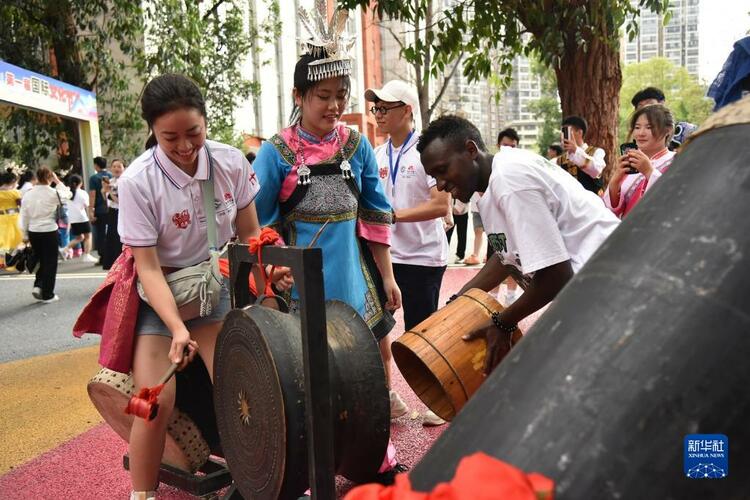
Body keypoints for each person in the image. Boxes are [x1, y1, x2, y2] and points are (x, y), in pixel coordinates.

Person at [252, 7, 406, 483]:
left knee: (371, 365)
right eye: (323, 96)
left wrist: (388, 277)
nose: (334, 105)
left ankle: (371, 450)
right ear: (299, 95)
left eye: (341, 96)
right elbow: (260, 226)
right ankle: (316, 457)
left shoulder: (356, 146)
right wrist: (270, 278)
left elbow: (375, 215)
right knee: (314, 375)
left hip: (354, 276)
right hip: (301, 285)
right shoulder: (274, 152)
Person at [117, 74, 270, 500]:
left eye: (193, 134)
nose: (185, 147)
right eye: (170, 138)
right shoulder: (136, 182)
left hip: (211, 290)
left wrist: (267, 287)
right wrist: (176, 328)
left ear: (206, 121)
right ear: (152, 131)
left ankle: (260, 482)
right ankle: (141, 494)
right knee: (152, 402)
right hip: (160, 299)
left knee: (243, 391)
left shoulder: (231, 163)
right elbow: (146, 269)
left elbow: (250, 235)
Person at [417, 115, 620, 375]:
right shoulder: (489, 185)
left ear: (470, 150)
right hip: (590, 287)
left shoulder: (510, 181)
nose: (441, 184)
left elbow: (556, 274)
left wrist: (503, 323)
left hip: (611, 281)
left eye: (442, 170)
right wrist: (460, 300)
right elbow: (506, 256)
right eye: (434, 177)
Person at [366, 79, 450, 425]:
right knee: (378, 329)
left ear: (407, 110)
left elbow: (440, 204)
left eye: (385, 108)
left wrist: (393, 216)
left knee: (420, 331)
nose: (378, 115)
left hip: (423, 256)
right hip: (386, 256)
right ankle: (388, 397)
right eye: (376, 108)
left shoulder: (427, 152)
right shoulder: (375, 154)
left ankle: (440, 400)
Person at [603, 104, 675, 219]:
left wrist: (649, 172)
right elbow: (609, 211)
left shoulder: (676, 161)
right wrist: (614, 183)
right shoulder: (630, 163)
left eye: (649, 127)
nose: (641, 133)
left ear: (668, 130)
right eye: (637, 127)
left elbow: (673, 199)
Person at [20, 166, 71, 302]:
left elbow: (24, 216)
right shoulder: (54, 193)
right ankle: (48, 294)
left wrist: (24, 235)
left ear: (37, 177)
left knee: (40, 259)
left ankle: (39, 285)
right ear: (50, 178)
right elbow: (68, 194)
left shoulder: (28, 194)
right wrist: (57, 181)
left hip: (33, 231)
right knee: (50, 262)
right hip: (49, 230)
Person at [630, 87, 696, 150]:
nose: (646, 109)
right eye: (641, 107)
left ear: (662, 103)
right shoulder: (638, 136)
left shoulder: (685, 130)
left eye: (650, 104)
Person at [557, 116, 606, 193]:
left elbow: (596, 170)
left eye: (568, 132)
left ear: (580, 132)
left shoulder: (597, 152)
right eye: (563, 132)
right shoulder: (559, 160)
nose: (564, 136)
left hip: (592, 202)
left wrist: (575, 150)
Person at [60, 175, 97, 263]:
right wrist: (90, 216)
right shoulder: (82, 193)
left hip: (73, 219)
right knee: (88, 236)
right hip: (82, 218)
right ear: (80, 183)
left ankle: (65, 249)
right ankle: (87, 255)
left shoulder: (68, 193)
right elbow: (87, 206)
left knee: (79, 237)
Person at [100, 159, 126, 269]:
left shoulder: (125, 181)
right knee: (111, 237)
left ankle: (122, 263)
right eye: (114, 166)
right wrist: (104, 191)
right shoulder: (111, 181)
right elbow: (107, 201)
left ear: (124, 168)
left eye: (119, 166)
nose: (116, 169)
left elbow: (121, 201)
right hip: (112, 212)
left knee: (119, 238)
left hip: (122, 212)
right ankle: (113, 264)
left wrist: (109, 191)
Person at [88, 155, 111, 263]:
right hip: (112, 207)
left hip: (100, 210)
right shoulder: (111, 175)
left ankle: (103, 256)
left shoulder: (94, 178)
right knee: (112, 232)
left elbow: (92, 195)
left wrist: (91, 211)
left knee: (101, 234)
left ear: (96, 166)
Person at [0, 169, 23, 269]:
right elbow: (21, 205)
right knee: (15, 241)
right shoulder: (16, 193)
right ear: (13, 181)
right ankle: (13, 263)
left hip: (1, 218)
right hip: (14, 218)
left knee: (2, 242)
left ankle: (1, 263)